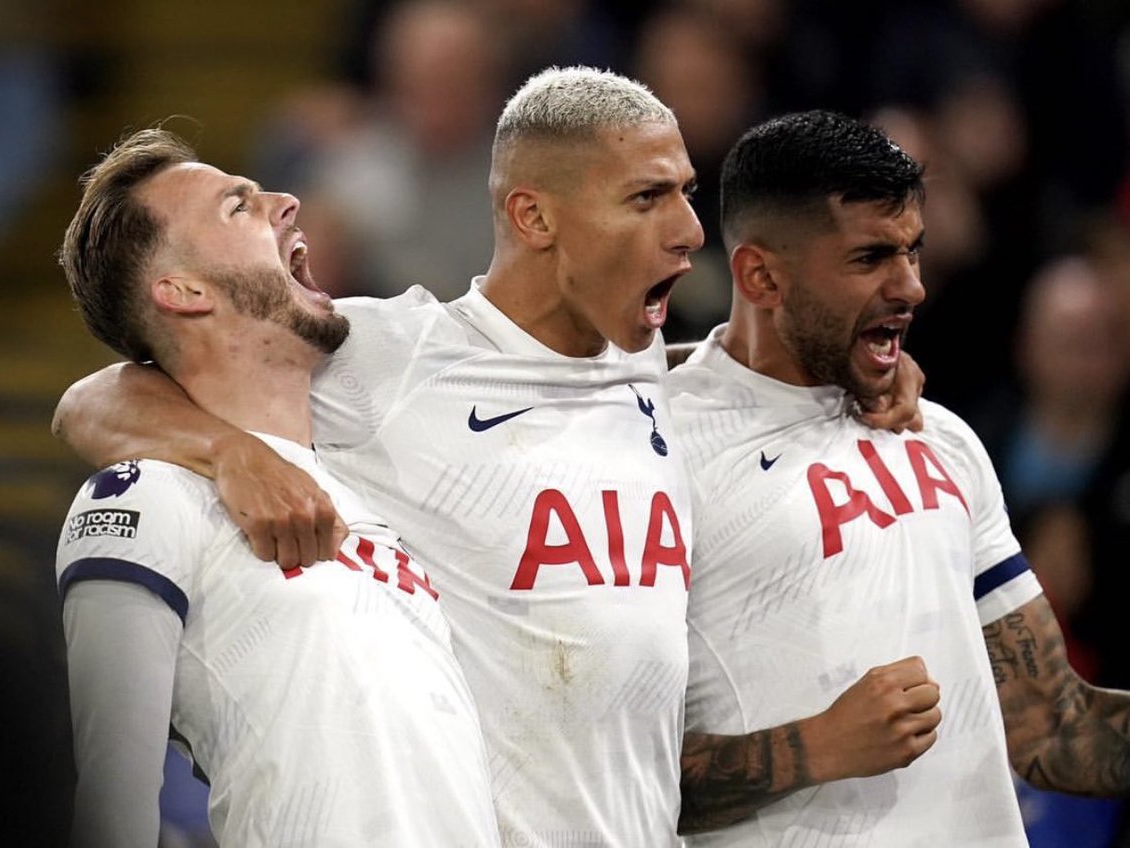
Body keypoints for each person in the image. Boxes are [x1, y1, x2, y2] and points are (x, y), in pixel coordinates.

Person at [53, 69, 925, 845]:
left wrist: (870, 363)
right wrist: (228, 450)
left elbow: (768, 365)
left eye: (687, 193)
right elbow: (97, 397)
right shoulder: (389, 359)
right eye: (646, 197)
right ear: (534, 215)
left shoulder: (666, 382)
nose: (690, 231)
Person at [668, 109, 1130, 846]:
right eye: (870, 258)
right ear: (759, 274)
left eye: (913, 252)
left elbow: (1055, 729)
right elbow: (601, 774)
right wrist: (819, 745)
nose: (911, 286)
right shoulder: (654, 453)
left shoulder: (938, 436)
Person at [54, 128, 500, 848]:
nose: (288, 202)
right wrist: (226, 452)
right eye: (239, 207)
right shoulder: (146, 496)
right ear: (185, 291)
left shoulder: (366, 485)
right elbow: (112, 807)